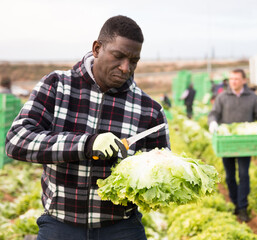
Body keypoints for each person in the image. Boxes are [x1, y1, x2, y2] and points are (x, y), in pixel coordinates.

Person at [5, 15, 170, 240]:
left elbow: (160, 169)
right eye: (119, 56)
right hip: (60, 225)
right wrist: (86, 144)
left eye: (133, 61)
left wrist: (143, 171)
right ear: (97, 48)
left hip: (121, 228)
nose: (125, 68)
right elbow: (16, 141)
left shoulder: (150, 110)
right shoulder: (57, 86)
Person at [208, 68, 257, 222]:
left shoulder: (252, 97)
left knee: (243, 174)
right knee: (229, 176)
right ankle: (235, 203)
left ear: (244, 80)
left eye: (236, 79)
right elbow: (214, 113)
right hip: (227, 143)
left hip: (244, 143)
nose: (233, 81)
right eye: (231, 79)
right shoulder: (222, 97)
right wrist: (213, 123)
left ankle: (243, 207)